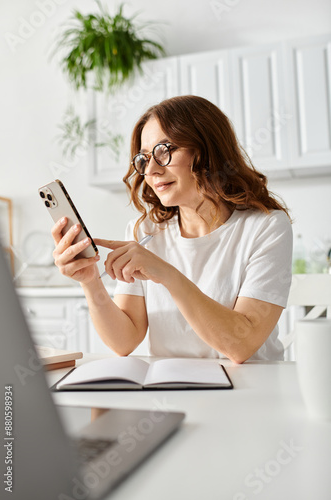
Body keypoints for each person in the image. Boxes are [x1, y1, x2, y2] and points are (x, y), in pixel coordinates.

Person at [52, 95, 293, 363]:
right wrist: (90, 282)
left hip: (251, 390)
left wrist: (166, 273)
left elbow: (241, 345)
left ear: (207, 149)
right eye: (144, 159)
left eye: (164, 151)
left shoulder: (266, 227)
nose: (151, 170)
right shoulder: (144, 231)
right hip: (173, 389)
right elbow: (124, 341)